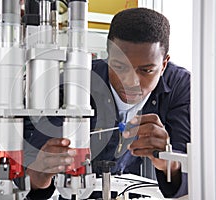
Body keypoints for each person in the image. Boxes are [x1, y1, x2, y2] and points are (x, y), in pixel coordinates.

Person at [25, 7, 190, 199]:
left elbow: (189, 174)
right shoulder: (77, 82)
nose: (130, 82)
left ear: (163, 65)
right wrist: (40, 174)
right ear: (107, 57)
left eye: (146, 71)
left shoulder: (180, 86)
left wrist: (169, 160)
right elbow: (34, 174)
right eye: (119, 67)